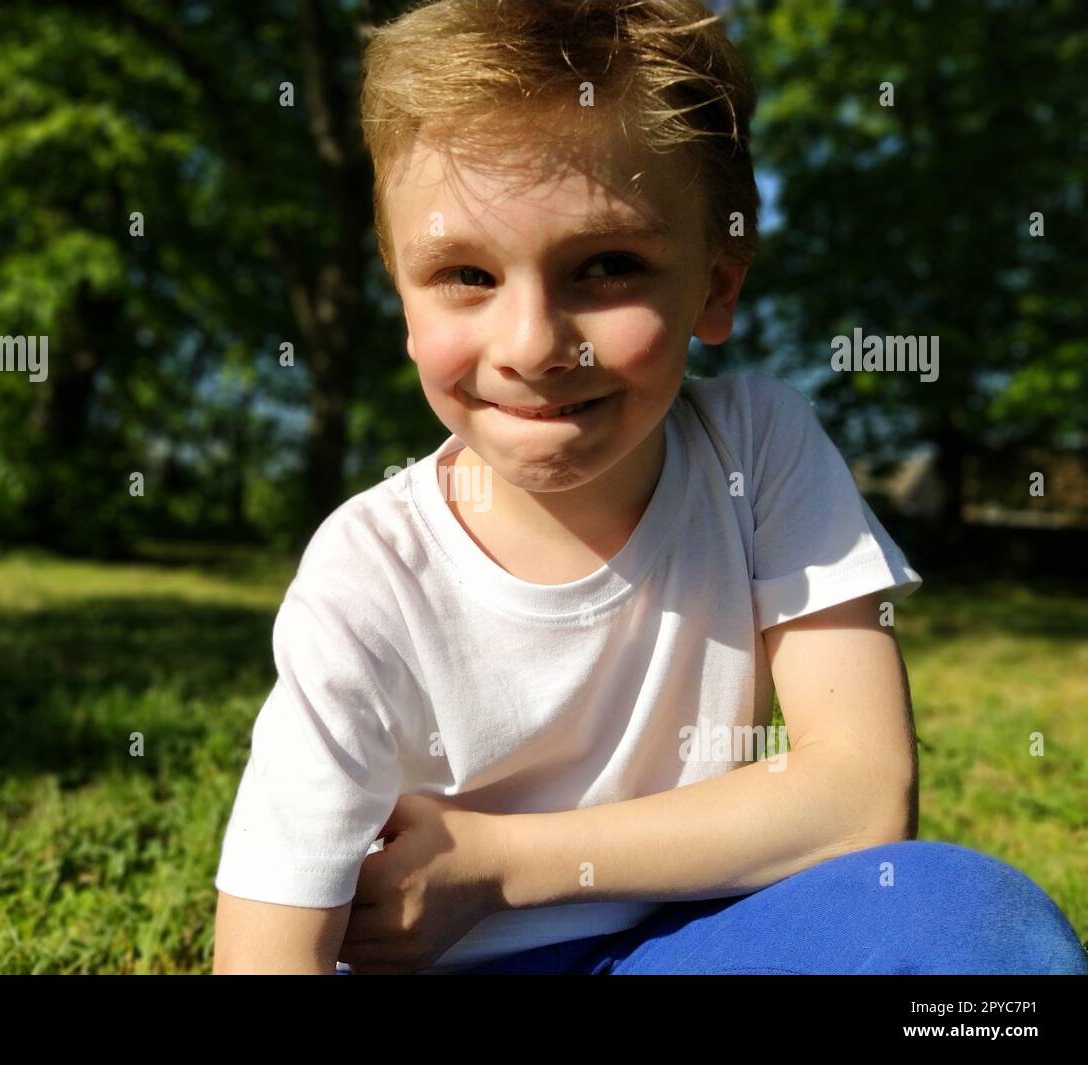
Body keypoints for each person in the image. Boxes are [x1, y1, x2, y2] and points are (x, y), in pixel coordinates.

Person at [211, 0, 1088, 975]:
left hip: (688, 948)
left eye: (606, 266)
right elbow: (268, 945)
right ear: (399, 294)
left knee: (972, 926)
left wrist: (494, 864)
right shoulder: (367, 570)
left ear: (716, 285)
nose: (533, 346)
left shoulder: (757, 449)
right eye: (464, 273)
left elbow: (862, 795)